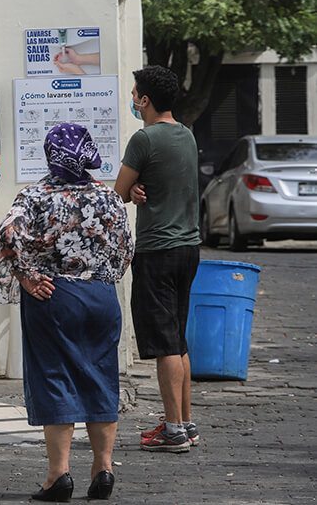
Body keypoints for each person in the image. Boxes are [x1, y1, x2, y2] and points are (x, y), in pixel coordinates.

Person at [0, 123, 133, 501]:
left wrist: (26, 276)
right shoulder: (109, 197)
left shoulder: (35, 196)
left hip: (54, 297)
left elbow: (8, 235)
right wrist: (97, 278)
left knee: (55, 379)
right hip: (101, 297)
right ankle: (103, 468)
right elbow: (125, 249)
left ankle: (58, 476)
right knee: (101, 378)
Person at [114, 65, 201, 453]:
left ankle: (172, 430)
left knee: (165, 344)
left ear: (145, 100)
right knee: (178, 339)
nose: (133, 100)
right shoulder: (186, 135)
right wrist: (138, 188)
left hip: (157, 250)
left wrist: (131, 189)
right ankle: (185, 422)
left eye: (135, 94)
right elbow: (165, 183)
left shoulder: (143, 139)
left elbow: (118, 192)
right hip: (188, 248)